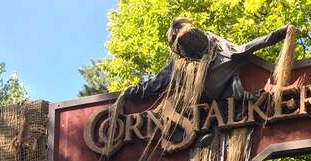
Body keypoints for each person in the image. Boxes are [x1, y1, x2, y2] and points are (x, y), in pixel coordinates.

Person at [124, 17, 291, 104]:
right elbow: (155, 84)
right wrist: (134, 91)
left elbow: (245, 48)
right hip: (204, 104)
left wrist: (276, 35)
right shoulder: (178, 65)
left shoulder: (218, 48)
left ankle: (243, 101)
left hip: (226, 95)